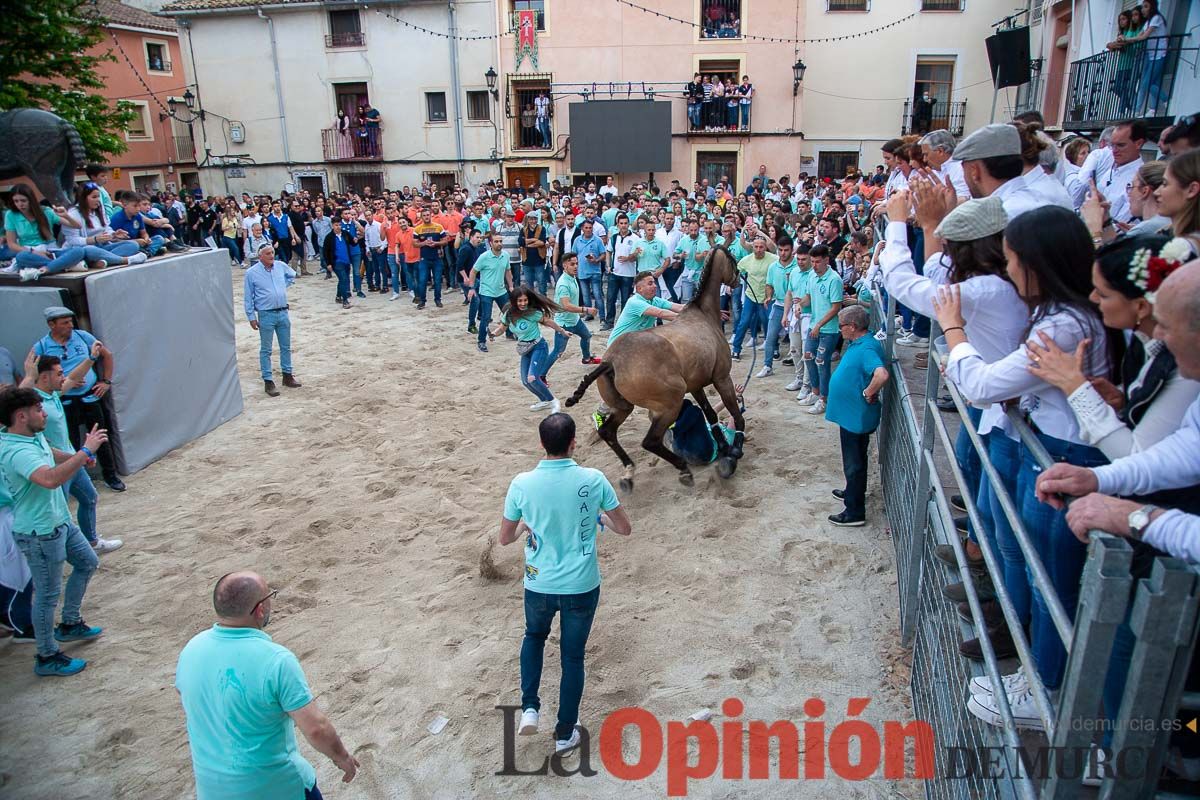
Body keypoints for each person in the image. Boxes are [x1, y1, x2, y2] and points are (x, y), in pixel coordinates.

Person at [935, 207, 1110, 728]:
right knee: (1033, 571)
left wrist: (953, 331)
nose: (1006, 272)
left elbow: (984, 385)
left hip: (1065, 457)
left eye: (1012, 261)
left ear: (1037, 263)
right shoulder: (1060, 311)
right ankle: (1035, 676)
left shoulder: (1062, 322)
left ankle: (1047, 691)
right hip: (1054, 449)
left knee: (1049, 585)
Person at [499, 413, 631, 753]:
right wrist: (599, 516)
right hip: (581, 584)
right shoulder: (594, 478)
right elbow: (624, 528)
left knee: (534, 637)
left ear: (542, 445)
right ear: (573, 443)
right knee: (572, 658)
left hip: (538, 583)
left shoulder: (522, 483)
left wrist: (525, 526)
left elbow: (504, 538)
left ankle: (530, 708)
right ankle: (564, 733)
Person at [176, 570, 359, 798]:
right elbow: (316, 729)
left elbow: (188, 696)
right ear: (260, 609)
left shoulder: (191, 650)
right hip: (278, 788)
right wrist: (342, 757)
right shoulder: (277, 661)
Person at [0, 387, 108, 676]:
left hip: (58, 521)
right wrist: (85, 451)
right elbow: (47, 479)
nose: (44, 412)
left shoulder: (31, 436)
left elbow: (55, 454)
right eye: (38, 409)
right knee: (47, 595)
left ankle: (70, 623)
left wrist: (80, 457)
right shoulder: (16, 451)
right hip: (40, 533)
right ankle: (46, 656)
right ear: (21, 416)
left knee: (88, 562)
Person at [20, 349, 122, 553]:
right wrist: (29, 376)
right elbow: (14, 403)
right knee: (61, 513)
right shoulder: (34, 404)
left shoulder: (54, 394)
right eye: (59, 373)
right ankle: (66, 551)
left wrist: (91, 358)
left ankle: (91, 542)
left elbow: (75, 376)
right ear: (44, 377)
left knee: (89, 497)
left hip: (73, 460)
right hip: (56, 466)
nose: (64, 377)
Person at [33, 307, 125, 492]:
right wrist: (65, 383)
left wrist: (106, 381)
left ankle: (110, 475)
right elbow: (35, 374)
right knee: (70, 441)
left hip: (90, 397)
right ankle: (76, 479)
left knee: (101, 437)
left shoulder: (82, 336)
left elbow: (106, 355)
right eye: (64, 323)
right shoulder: (42, 346)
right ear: (52, 325)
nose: (70, 325)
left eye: (70, 321)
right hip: (65, 400)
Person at [825, 305, 889, 526]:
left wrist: (868, 391)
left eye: (841, 326)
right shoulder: (861, 343)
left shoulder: (867, 348)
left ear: (852, 327)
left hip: (856, 417)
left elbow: (881, 374)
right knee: (855, 458)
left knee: (854, 462)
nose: (839, 330)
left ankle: (854, 512)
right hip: (852, 415)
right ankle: (852, 491)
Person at [488, 287, 572, 413]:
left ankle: (553, 401)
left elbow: (549, 322)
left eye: (525, 300)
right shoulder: (509, 314)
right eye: (520, 301)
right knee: (526, 382)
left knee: (532, 377)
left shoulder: (533, 313)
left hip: (539, 346)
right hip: (525, 349)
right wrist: (493, 334)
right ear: (514, 301)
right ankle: (544, 401)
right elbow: (502, 328)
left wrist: (562, 331)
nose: (523, 303)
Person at [244, 246, 301, 397]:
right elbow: (248, 297)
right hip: (266, 314)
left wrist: (282, 286)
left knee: (285, 346)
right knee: (266, 349)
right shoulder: (251, 273)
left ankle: (287, 375)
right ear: (260, 256)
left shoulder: (280, 266)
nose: (271, 256)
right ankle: (268, 380)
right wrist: (251, 317)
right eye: (268, 253)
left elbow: (292, 276)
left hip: (283, 311)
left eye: (272, 253)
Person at [795, 244, 843, 415]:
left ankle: (824, 398)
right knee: (808, 357)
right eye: (812, 261)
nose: (814, 265)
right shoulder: (812, 277)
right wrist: (800, 305)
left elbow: (836, 307)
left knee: (822, 362)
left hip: (828, 330)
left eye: (817, 262)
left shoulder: (834, 279)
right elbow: (808, 296)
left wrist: (819, 325)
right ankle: (815, 392)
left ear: (826, 260)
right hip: (814, 326)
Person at [6, 185, 87, 281]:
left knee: (79, 251)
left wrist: (66, 215)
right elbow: (11, 244)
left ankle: (48, 268)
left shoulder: (45, 211)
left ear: (31, 200)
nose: (20, 204)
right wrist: (34, 252)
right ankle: (65, 266)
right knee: (21, 257)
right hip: (30, 252)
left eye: (23, 201)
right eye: (16, 201)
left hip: (51, 251)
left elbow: (77, 226)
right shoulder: (11, 214)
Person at [63, 182, 147, 268]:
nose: (98, 200)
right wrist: (94, 239)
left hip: (103, 247)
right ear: (83, 198)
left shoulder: (99, 209)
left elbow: (106, 228)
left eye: (98, 196)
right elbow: (72, 241)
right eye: (94, 197)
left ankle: (100, 261)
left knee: (133, 245)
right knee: (90, 250)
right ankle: (125, 260)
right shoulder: (73, 213)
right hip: (86, 249)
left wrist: (114, 234)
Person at [544, 252, 601, 377]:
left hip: (574, 320)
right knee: (558, 352)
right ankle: (541, 375)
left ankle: (586, 359)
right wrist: (586, 310)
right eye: (572, 264)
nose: (575, 266)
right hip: (564, 324)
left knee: (586, 336)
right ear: (565, 266)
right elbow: (567, 306)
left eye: (576, 264)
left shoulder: (572, 277)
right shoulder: (563, 283)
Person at [467, 232, 516, 353]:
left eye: (500, 241)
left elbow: (508, 271)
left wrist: (511, 286)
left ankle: (509, 333)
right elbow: (473, 271)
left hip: (501, 290)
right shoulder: (484, 256)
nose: (499, 243)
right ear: (490, 243)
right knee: (486, 317)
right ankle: (481, 341)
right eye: (496, 241)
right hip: (486, 292)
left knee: (508, 314)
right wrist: (472, 288)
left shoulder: (505, 255)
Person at [607, 270, 685, 345]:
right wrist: (688, 319)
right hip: (618, 347)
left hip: (635, 344)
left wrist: (695, 307)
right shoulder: (634, 302)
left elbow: (678, 307)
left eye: (654, 283)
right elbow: (661, 313)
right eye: (650, 284)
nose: (655, 286)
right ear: (639, 288)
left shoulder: (655, 300)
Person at [572, 220, 607, 326]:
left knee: (597, 295)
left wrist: (596, 260)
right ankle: (589, 314)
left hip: (595, 272)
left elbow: (603, 254)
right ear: (582, 228)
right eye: (586, 228)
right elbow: (573, 254)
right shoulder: (577, 240)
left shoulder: (597, 240)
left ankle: (602, 317)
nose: (588, 230)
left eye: (590, 228)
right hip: (582, 272)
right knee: (586, 295)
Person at [322, 218, 355, 309]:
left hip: (346, 261)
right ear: (332, 225)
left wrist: (356, 239)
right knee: (343, 279)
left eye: (340, 225)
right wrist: (328, 264)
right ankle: (345, 300)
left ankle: (338, 296)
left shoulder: (345, 234)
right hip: (336, 262)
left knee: (343, 279)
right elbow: (325, 252)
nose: (338, 227)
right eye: (336, 225)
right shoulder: (329, 237)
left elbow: (353, 242)